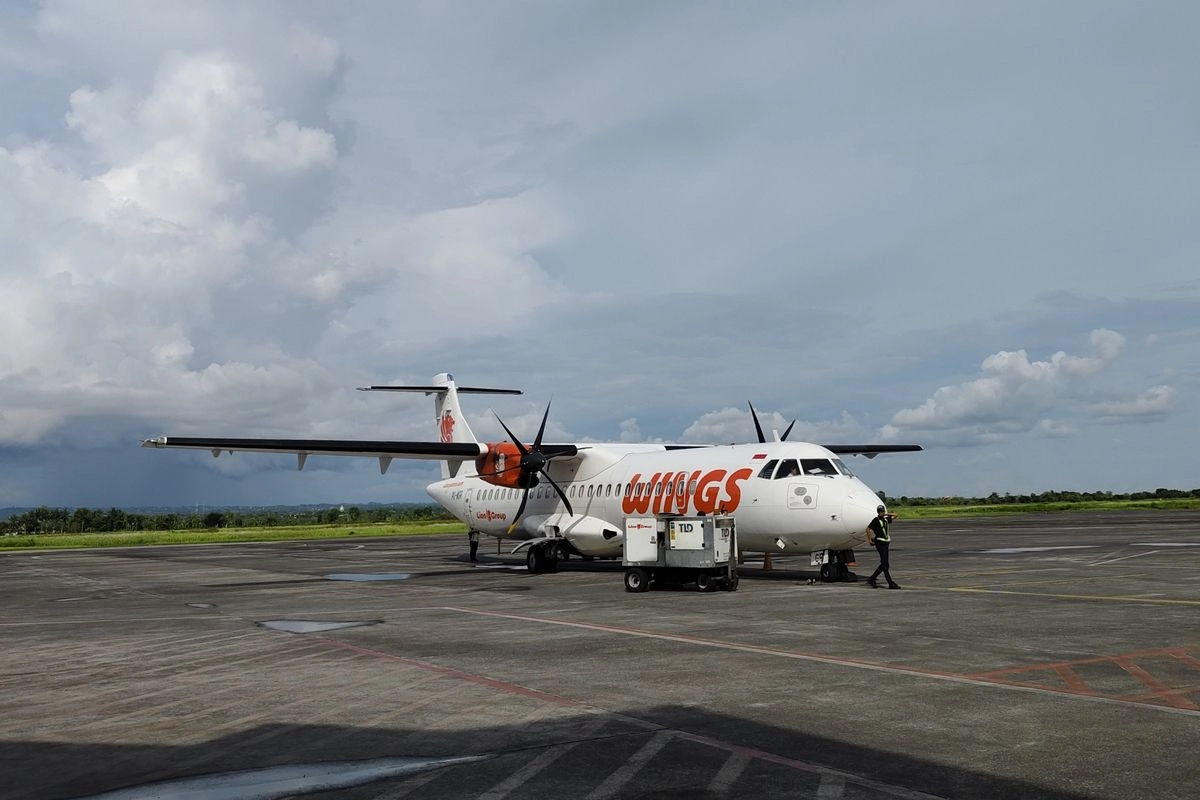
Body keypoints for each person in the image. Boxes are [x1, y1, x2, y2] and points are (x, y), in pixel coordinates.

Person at [865, 504, 901, 589]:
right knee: (885, 565)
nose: (881, 512)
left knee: (885, 564)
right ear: (877, 512)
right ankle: (890, 583)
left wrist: (886, 514)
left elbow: (896, 515)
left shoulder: (885, 519)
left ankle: (872, 578)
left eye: (882, 511)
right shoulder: (876, 520)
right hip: (880, 542)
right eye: (879, 511)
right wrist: (870, 540)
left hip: (886, 543)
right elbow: (868, 529)